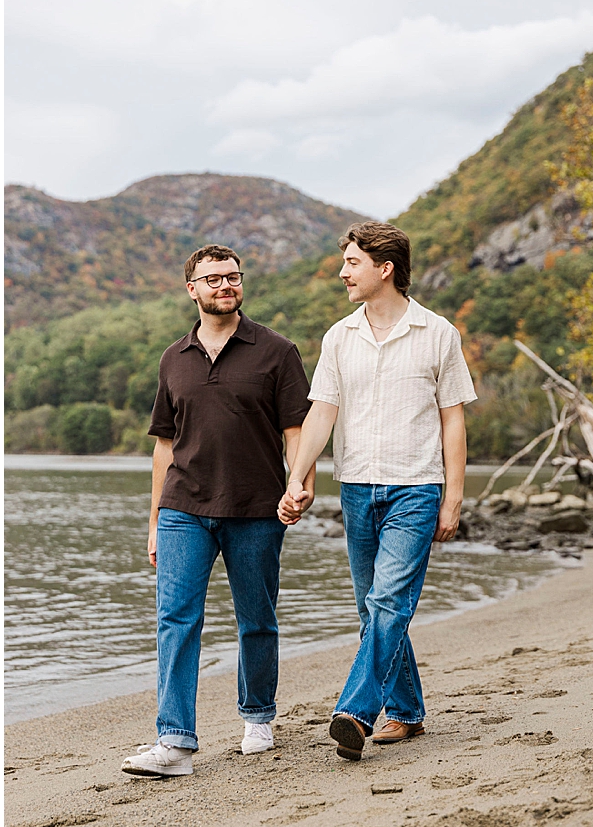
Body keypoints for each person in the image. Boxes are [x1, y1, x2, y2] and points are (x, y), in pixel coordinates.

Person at [279, 221, 476, 761]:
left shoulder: (438, 334)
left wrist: (453, 497)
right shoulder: (339, 337)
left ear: (384, 269)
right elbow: (323, 412)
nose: (343, 272)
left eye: (352, 263)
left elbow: (452, 420)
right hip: (357, 489)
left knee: (389, 601)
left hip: (416, 488)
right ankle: (408, 711)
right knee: (375, 610)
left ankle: (356, 712)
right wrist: (297, 475)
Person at [122, 246, 312, 778]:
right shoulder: (172, 358)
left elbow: (297, 430)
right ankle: (175, 742)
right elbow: (164, 446)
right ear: (192, 289)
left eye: (232, 276)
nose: (225, 285)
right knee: (175, 620)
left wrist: (299, 486)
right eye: (213, 279)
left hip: (257, 507)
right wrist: (155, 520)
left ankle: (257, 717)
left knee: (257, 618)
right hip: (184, 507)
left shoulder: (277, 351)